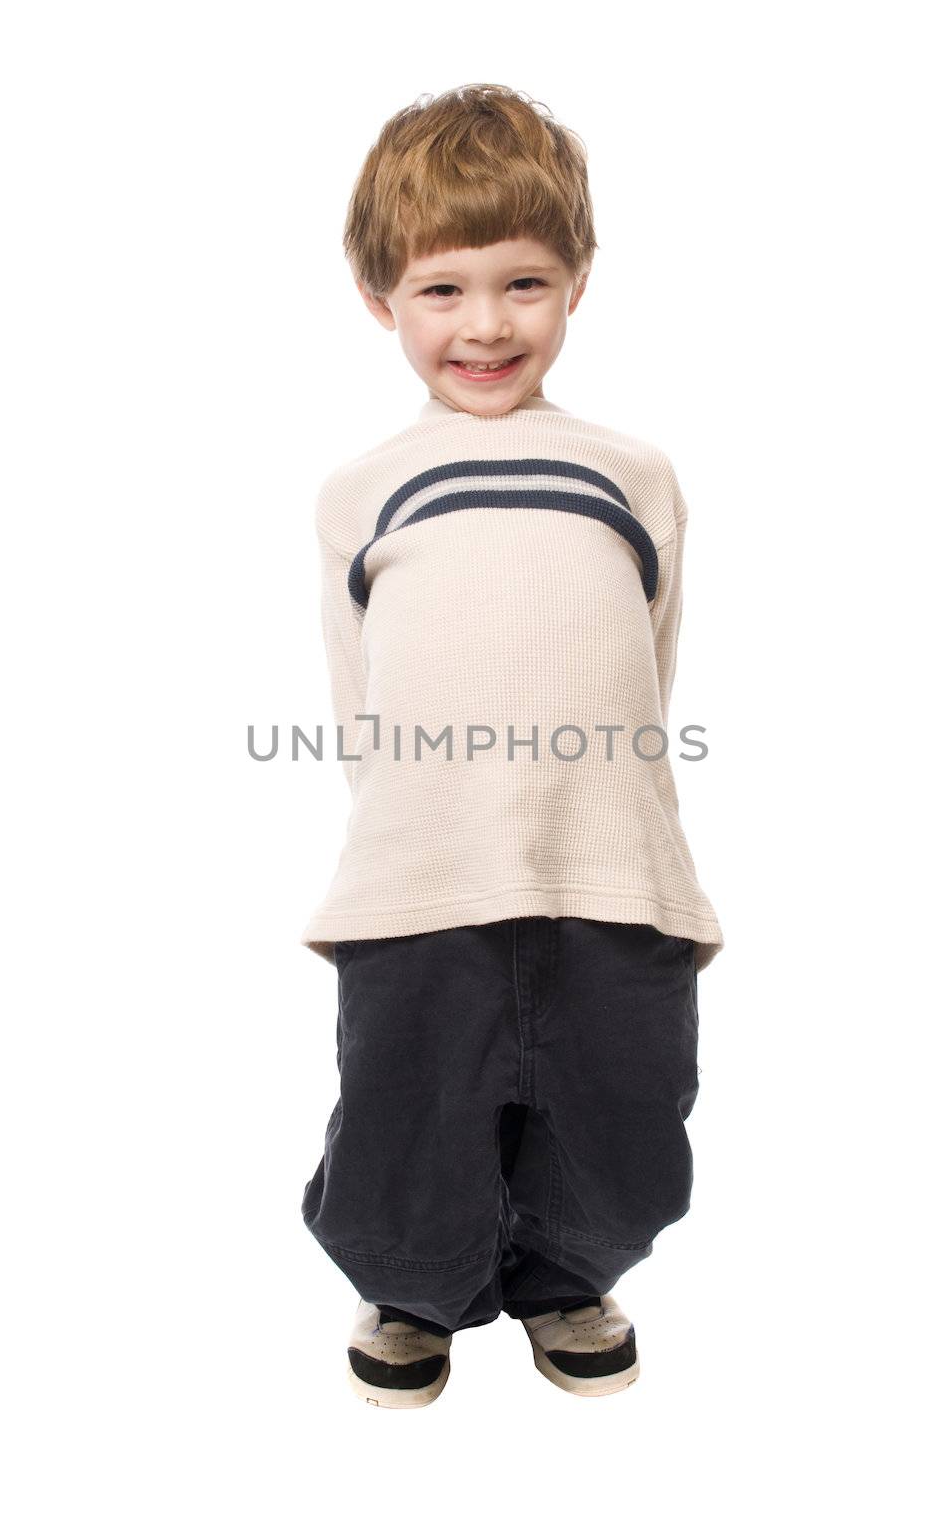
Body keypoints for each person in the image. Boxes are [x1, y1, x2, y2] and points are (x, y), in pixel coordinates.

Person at [298, 83, 724, 1408]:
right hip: (422, 884)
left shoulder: (632, 472)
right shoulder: (362, 490)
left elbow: (648, 660)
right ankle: (416, 1290)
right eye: (443, 290)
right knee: (404, 1141)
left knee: (625, 1136)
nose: (486, 323)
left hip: (608, 870)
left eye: (524, 282)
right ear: (382, 299)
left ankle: (564, 1279)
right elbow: (358, 692)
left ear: (577, 281)